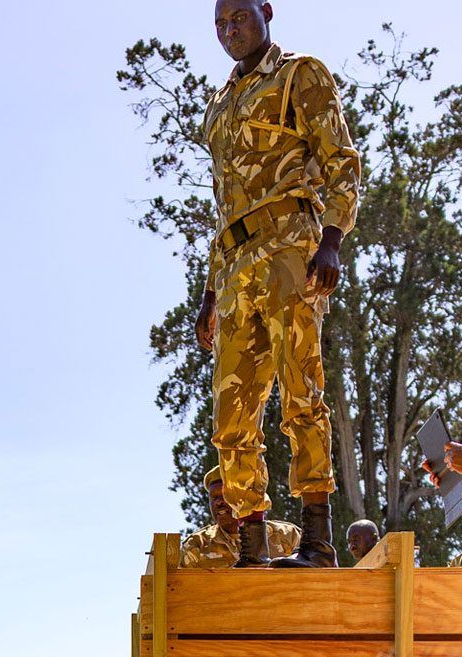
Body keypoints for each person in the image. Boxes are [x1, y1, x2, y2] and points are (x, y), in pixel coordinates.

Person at [194, 0, 362, 568]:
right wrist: (209, 294)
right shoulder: (219, 107)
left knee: (301, 392)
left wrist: (331, 239)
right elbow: (223, 204)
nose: (230, 31)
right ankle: (252, 545)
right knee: (231, 417)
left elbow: (341, 163)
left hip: (290, 246)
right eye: (221, 24)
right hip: (233, 264)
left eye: (239, 18)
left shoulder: (299, 75)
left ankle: (316, 539)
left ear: (266, 12)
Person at [179, 465, 302, 569]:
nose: (218, 502)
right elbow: (180, 587)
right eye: (214, 497)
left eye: (225, 495)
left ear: (244, 497)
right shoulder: (197, 545)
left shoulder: (287, 536)